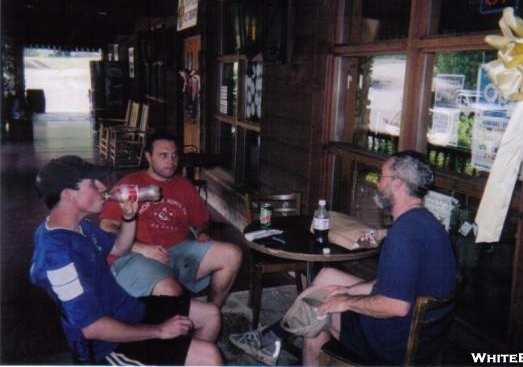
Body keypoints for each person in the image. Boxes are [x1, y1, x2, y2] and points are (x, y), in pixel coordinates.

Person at [229, 150, 457, 365]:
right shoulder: (426, 222)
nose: (377, 183)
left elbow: (395, 306)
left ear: (397, 184)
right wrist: (349, 291)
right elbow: (395, 285)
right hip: (420, 335)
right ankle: (273, 336)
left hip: (391, 342)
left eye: (382, 177)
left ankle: (278, 341)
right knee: (327, 278)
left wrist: (346, 301)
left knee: (316, 319)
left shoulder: (403, 234)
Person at [30, 155, 222, 365]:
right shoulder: (58, 258)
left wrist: (129, 217)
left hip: (127, 308)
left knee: (211, 315)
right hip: (105, 345)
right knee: (210, 356)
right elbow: (92, 327)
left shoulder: (80, 226)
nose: (103, 186)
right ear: (68, 195)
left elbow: (119, 248)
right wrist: (159, 331)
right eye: (93, 183)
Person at [100, 131, 241, 307]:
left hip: (178, 252)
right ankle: (167, 330)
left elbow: (201, 221)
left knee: (232, 254)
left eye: (174, 155)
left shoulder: (183, 185)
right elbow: (106, 227)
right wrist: (142, 248)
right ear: (148, 157)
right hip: (136, 255)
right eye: (163, 155)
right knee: (171, 292)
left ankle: (212, 312)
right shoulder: (129, 185)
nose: (171, 161)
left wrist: (202, 232)